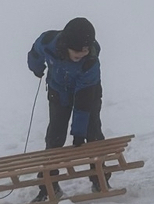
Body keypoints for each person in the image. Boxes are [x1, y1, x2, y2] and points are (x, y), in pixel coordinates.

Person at [28, 17, 104, 149]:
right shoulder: (48, 43)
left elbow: (83, 101)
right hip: (58, 91)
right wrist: (37, 68)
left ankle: (99, 165)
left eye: (85, 51)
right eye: (77, 52)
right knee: (55, 132)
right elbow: (35, 53)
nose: (82, 55)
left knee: (92, 130)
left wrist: (79, 134)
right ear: (67, 46)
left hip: (89, 93)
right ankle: (50, 167)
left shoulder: (90, 63)